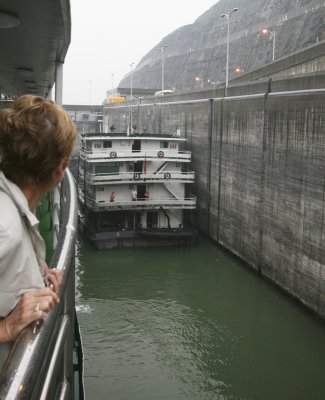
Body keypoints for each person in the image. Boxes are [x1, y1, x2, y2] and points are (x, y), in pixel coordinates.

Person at [0, 95, 76, 366]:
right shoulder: (5, 228)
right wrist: (5, 327)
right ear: (60, 168)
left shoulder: (13, 213)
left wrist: (40, 275)